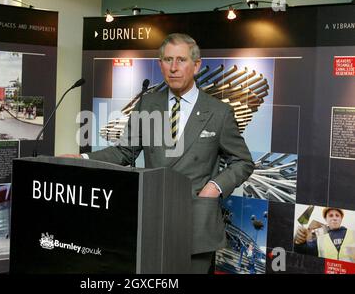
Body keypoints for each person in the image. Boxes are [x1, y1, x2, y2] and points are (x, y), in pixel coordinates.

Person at [61, 33, 254, 273]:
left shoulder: (219, 112)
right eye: (167, 60)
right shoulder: (147, 104)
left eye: (181, 60)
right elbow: (124, 151)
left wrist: (214, 187)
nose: (173, 68)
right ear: (160, 64)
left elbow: (243, 162)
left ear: (196, 65)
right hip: (153, 219)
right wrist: (84, 159)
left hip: (196, 221)